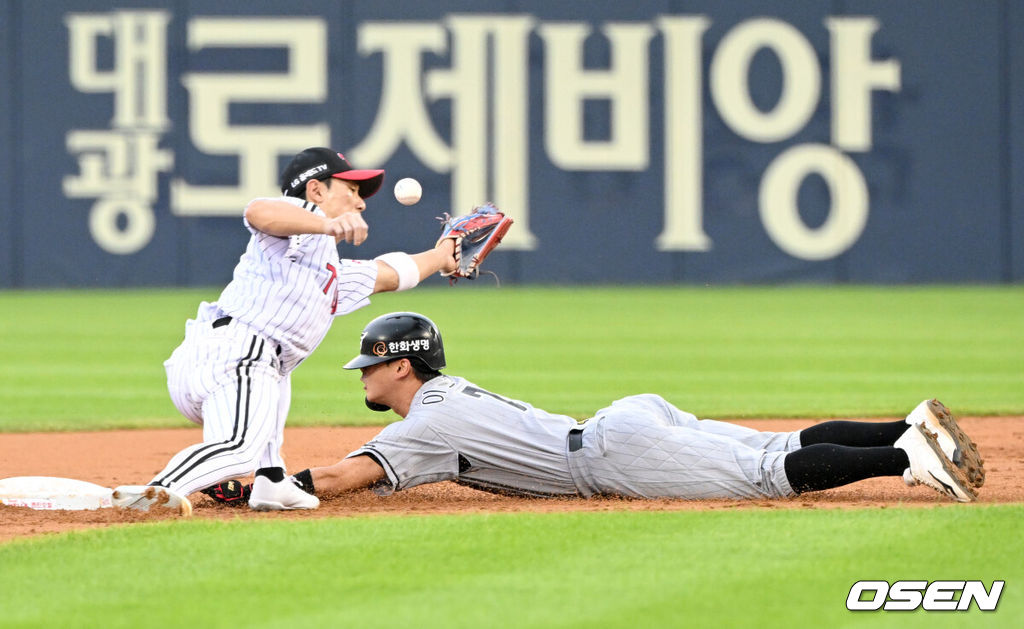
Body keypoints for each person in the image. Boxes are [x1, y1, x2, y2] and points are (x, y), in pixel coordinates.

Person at [282, 311, 984, 506]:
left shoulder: (423, 424)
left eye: (371, 363)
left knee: (769, 475)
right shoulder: (445, 391)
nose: (365, 374)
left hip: (616, 453)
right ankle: (906, 422)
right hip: (623, 420)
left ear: (400, 364)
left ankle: (906, 455)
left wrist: (270, 484)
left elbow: (347, 478)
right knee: (779, 443)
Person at [112, 149, 458, 516]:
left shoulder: (329, 270)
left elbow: (391, 273)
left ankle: (272, 481)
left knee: (278, 370)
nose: (361, 203)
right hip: (236, 355)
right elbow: (259, 212)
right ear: (316, 190)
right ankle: (154, 492)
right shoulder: (298, 224)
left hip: (238, 363)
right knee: (237, 447)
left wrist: (443, 254)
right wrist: (325, 223)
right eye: (352, 190)